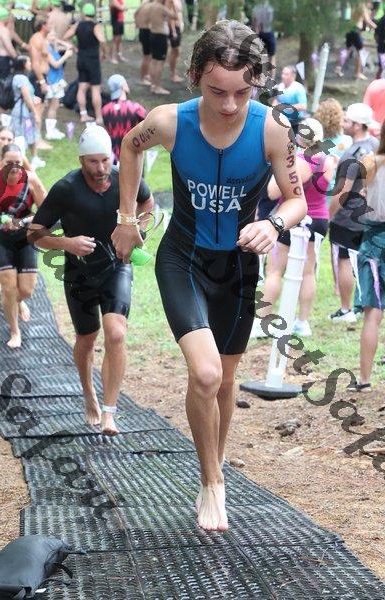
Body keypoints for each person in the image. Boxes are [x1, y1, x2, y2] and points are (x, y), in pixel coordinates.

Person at [111, 21, 307, 531]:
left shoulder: (273, 129)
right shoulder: (169, 121)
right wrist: (127, 218)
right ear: (196, 75)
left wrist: (272, 224)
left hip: (238, 268)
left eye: (243, 92)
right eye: (217, 91)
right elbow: (129, 147)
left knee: (225, 379)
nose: (230, 104)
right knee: (205, 373)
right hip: (184, 258)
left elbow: (297, 200)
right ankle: (213, 483)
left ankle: (212, 471)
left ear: (257, 82)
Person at [29, 126, 154, 434]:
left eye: (105, 160)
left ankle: (110, 412)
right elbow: (34, 233)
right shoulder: (66, 189)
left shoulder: (125, 177)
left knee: (116, 333)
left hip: (117, 265)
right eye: (93, 162)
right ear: (81, 161)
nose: (100, 169)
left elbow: (147, 202)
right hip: (79, 272)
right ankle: (88, 392)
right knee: (87, 338)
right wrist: (66, 243)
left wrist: (138, 228)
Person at [252, 118, 335, 339]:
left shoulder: (299, 161)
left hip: (292, 218)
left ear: (299, 138)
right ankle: (302, 322)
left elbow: (272, 192)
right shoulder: (328, 160)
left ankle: (262, 322)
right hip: (319, 219)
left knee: (275, 271)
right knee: (308, 272)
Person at [0, 143, 46, 348]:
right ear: (1, 162)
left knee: (26, 290)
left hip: (24, 238)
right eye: (9, 163)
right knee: (8, 288)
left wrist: (21, 222)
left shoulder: (32, 180)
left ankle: (18, 302)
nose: (14, 167)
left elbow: (47, 213)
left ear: (23, 162)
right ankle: (14, 331)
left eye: (18, 162)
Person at [329, 102, 379, 323]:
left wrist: (328, 214)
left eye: (347, 120)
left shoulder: (351, 154)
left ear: (358, 125)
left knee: (344, 261)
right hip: (370, 215)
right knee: (368, 261)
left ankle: (347, 309)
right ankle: (367, 305)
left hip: (347, 218)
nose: (342, 123)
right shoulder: (375, 144)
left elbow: (342, 191)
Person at [350, 120, 385, 392]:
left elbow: (356, 197)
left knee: (372, 312)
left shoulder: (371, 162)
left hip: (373, 240)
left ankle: (364, 379)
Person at [0, 127, 33, 294]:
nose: (5, 142)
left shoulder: (18, 157)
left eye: (9, 139)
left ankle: (15, 279)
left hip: (13, 202)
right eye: (2, 138)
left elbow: (32, 177)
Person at [64, 3, 107, 125]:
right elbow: (102, 40)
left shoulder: (78, 25)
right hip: (93, 61)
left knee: (82, 87)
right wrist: (104, 52)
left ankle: (83, 114)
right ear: (93, 14)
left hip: (81, 59)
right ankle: (99, 117)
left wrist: (74, 48)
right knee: (95, 89)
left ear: (83, 13)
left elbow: (65, 36)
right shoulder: (95, 26)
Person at [102, 74, 147, 164]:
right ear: (123, 86)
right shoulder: (136, 108)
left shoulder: (105, 110)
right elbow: (147, 126)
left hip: (112, 156)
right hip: (133, 154)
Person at [10, 55, 45, 170]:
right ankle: (21, 161)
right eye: (28, 61)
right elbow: (26, 97)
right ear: (23, 64)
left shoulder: (20, 77)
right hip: (22, 112)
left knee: (31, 134)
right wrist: (35, 112)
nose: (30, 63)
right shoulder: (21, 78)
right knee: (22, 135)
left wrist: (34, 99)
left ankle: (34, 158)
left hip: (24, 111)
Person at [29, 16, 53, 151]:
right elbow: (35, 63)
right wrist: (42, 81)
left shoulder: (43, 39)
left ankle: (38, 137)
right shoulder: (37, 39)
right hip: (38, 78)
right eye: (49, 23)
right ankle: (36, 140)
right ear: (43, 25)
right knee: (37, 109)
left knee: (41, 108)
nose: (51, 26)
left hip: (43, 76)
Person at [335, 1, 377, 80]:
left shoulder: (355, 5)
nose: (371, 4)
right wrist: (378, 28)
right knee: (360, 52)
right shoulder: (363, 7)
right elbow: (367, 20)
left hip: (350, 28)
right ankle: (357, 73)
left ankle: (338, 68)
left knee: (347, 49)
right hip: (356, 30)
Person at [0, 7, 17, 120]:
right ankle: (1, 113)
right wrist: (16, 57)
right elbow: (9, 47)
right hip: (4, 60)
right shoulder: (3, 30)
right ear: (5, 18)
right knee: (3, 86)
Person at [45, 29, 72, 140]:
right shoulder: (46, 49)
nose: (54, 37)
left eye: (54, 35)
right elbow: (55, 64)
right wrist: (66, 56)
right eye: (51, 35)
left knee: (55, 106)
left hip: (57, 80)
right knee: (53, 106)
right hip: (52, 81)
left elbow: (69, 46)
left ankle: (52, 128)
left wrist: (56, 40)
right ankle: (50, 131)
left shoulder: (52, 47)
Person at [148, 0, 177, 95]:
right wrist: (172, 5)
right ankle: (157, 87)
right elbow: (175, 16)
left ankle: (153, 85)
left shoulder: (151, 6)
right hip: (160, 36)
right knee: (160, 62)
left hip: (152, 34)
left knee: (154, 60)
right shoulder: (161, 8)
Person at [273, 65, 308, 133]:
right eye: (282, 73)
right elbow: (276, 100)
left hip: (295, 122)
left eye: (286, 74)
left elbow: (303, 106)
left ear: (293, 76)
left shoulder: (298, 88)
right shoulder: (280, 86)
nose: (283, 76)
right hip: (281, 120)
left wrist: (286, 107)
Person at [252, 1, 276, 76]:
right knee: (271, 57)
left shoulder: (256, 8)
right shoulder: (270, 8)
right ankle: (270, 78)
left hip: (261, 33)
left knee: (264, 57)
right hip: (268, 33)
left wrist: (256, 33)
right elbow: (271, 22)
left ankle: (265, 77)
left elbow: (255, 23)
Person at [134, 0, 152, 85]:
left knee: (149, 56)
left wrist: (137, 24)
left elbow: (135, 14)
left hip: (144, 30)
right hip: (146, 31)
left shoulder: (145, 4)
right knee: (147, 56)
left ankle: (147, 74)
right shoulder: (149, 4)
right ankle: (143, 78)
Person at [168, 0, 184, 82]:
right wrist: (173, 30)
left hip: (178, 28)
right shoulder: (172, 1)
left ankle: (173, 73)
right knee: (175, 51)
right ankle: (173, 74)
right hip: (174, 29)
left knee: (176, 52)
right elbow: (171, 15)